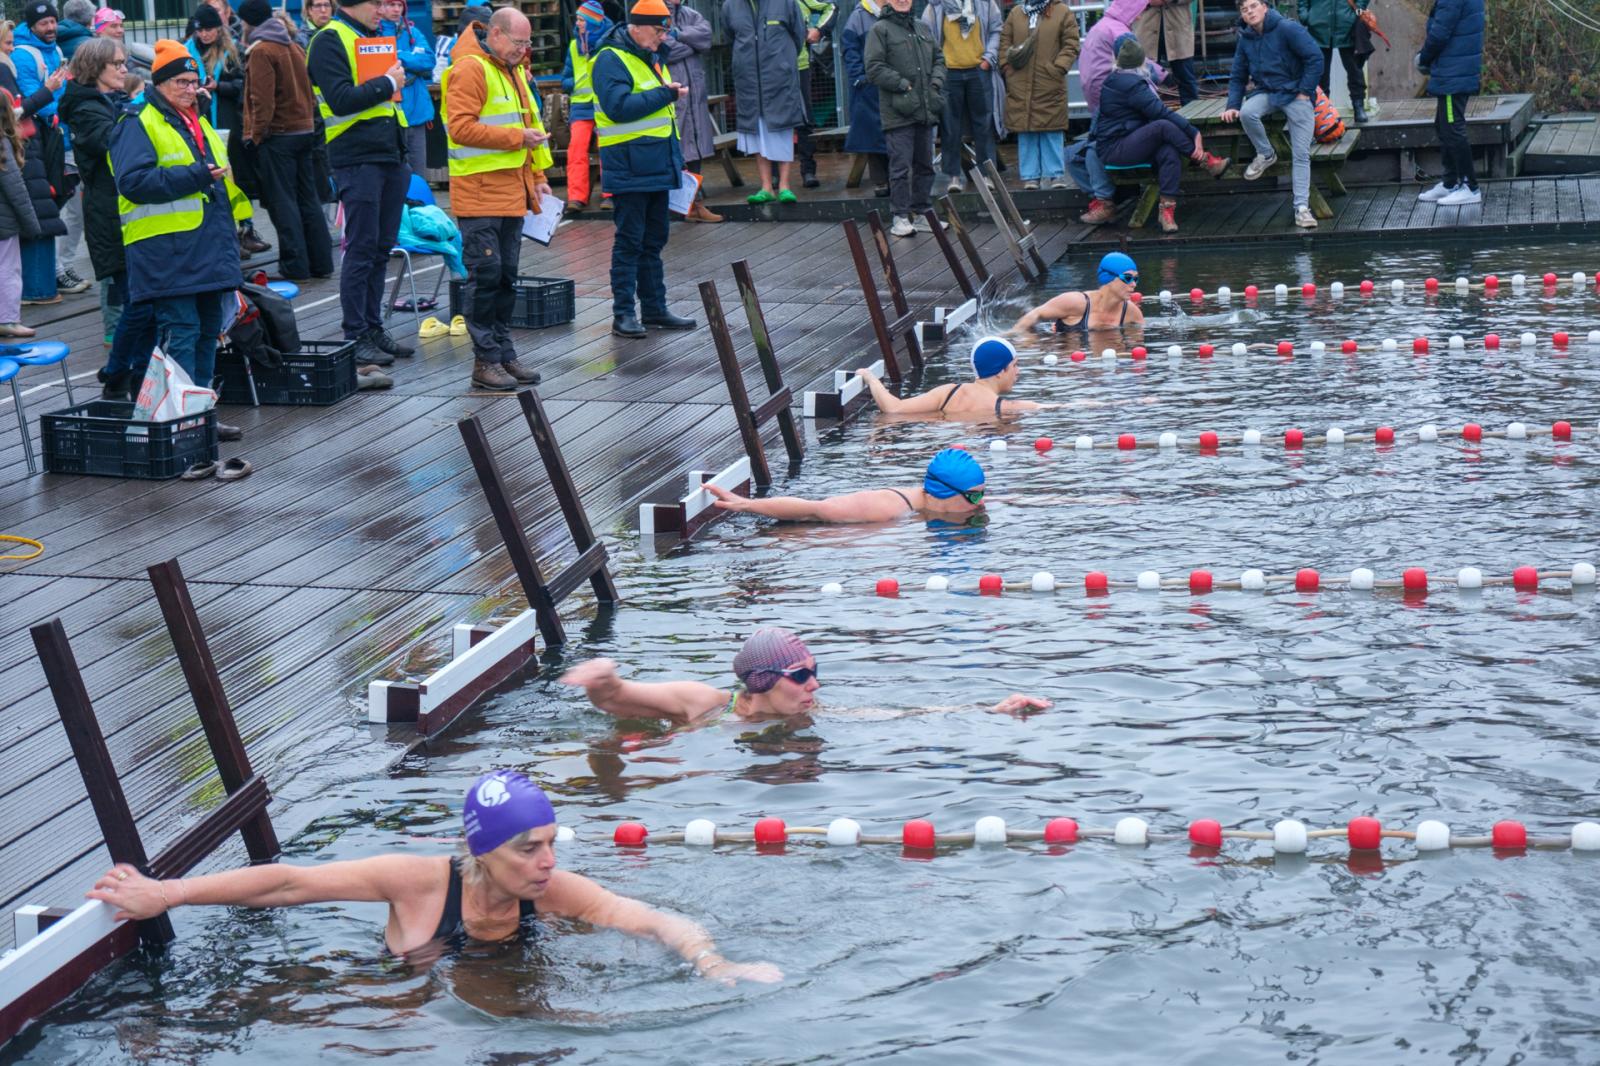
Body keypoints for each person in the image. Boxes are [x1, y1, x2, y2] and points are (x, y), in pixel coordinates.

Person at [88, 770, 784, 981]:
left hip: (509, 994)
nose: (547, 862)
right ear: (481, 851)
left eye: (550, 844)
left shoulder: (553, 891)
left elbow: (654, 920)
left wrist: (712, 962)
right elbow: (291, 883)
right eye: (528, 849)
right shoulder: (416, 880)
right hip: (405, 996)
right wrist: (166, 893)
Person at [109, 40, 245, 415]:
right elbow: (132, 183)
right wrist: (195, 176)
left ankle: (200, 415)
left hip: (206, 247)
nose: (190, 89)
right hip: (167, 252)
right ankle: (180, 420)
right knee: (181, 333)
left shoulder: (195, 119)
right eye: (181, 82)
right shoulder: (137, 121)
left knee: (208, 331)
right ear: (160, 83)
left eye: (194, 82)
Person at [563, 628, 1051, 726]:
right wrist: (604, 679)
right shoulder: (705, 702)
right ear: (761, 682)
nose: (814, 685)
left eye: (815, 673)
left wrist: (989, 710)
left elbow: (891, 714)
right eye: (800, 675)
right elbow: (619, 699)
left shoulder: (809, 712)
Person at [443, 8, 551, 391]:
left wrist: (537, 177)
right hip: (478, 193)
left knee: (506, 277)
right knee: (486, 277)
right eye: (519, 42)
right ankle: (485, 360)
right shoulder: (470, 68)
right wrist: (517, 139)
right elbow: (460, 128)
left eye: (528, 43)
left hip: (511, 191)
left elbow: (527, 123)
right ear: (496, 34)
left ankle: (504, 354)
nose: (524, 50)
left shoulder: (511, 68)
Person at [307, 0, 415, 366]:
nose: (382, 10)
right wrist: (388, 83)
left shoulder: (370, 37)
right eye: (376, 3)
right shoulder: (328, 39)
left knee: (381, 248)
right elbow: (340, 100)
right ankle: (355, 334)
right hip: (357, 158)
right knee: (361, 249)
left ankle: (372, 327)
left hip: (389, 155)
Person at [592, 0, 697, 338]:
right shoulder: (610, 58)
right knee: (630, 242)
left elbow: (661, 120)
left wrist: (675, 162)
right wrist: (666, 95)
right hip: (629, 167)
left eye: (666, 31)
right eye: (658, 30)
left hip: (654, 165)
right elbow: (618, 107)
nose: (663, 37)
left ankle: (653, 308)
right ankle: (623, 314)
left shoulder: (649, 56)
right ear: (636, 27)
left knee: (653, 241)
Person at [238, 0, 334, 282]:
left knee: (283, 203)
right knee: (308, 199)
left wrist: (256, 136)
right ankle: (321, 263)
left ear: (248, 22)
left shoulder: (261, 50)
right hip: (303, 131)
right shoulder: (293, 46)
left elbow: (262, 100)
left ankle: (295, 266)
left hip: (278, 135)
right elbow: (308, 93)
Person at [1096, 34, 1226, 232]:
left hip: (1130, 142)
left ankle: (1166, 212)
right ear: (1142, 62)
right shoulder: (1131, 84)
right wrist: (1194, 132)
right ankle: (1205, 160)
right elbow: (1161, 113)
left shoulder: (1119, 79)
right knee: (1162, 126)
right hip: (1115, 148)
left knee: (1168, 152)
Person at [1220, 0, 1323, 231]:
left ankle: (1302, 209)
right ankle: (1266, 154)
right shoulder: (1245, 37)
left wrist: (1305, 91)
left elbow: (1315, 58)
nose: (1250, 12)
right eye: (1244, 9)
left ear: (1265, 7)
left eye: (1253, 6)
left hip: (1296, 92)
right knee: (1247, 113)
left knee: (1301, 154)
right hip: (1268, 91)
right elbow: (1238, 75)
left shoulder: (1288, 28)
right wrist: (1232, 105)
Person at [58, 37, 131, 348]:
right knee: (115, 270)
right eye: (117, 64)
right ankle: (116, 340)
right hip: (106, 203)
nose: (124, 69)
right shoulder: (86, 109)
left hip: (118, 200)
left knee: (125, 271)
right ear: (96, 67)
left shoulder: (110, 101)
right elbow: (114, 144)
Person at [708, 446, 987, 523]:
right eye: (975, 497)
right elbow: (813, 509)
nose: (982, 503)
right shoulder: (883, 508)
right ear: (944, 493)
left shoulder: (932, 499)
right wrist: (747, 505)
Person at [12, 3, 81, 302]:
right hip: (46, 141)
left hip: (61, 136)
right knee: (55, 206)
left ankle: (60, 268)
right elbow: (35, 102)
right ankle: (54, 272)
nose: (51, 27)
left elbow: (61, 92)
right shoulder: (24, 55)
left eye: (53, 21)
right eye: (44, 23)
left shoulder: (54, 49)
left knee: (68, 205)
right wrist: (67, 107)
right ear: (31, 26)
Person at [1068, 0, 1153, 227]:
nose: (1139, 16)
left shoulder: (1102, 27)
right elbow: (1141, 68)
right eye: (1139, 11)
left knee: (1090, 150)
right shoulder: (1120, 33)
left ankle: (1106, 199)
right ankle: (1110, 198)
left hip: (1106, 107)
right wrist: (1162, 75)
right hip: (1113, 112)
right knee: (1085, 151)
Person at [865, 0, 942, 240]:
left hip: (925, 109)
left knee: (925, 165)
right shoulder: (880, 29)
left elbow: (939, 59)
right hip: (897, 112)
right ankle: (900, 216)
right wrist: (903, 85)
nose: (902, 0)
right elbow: (874, 67)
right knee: (900, 167)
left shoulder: (922, 27)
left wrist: (935, 84)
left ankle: (922, 212)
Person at [721, 0, 804, 204]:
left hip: (779, 79)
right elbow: (730, 37)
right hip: (748, 81)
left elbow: (798, 35)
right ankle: (766, 187)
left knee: (782, 129)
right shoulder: (730, 5)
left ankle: (784, 186)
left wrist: (783, 61)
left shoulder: (786, 2)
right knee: (757, 133)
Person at [853, 335, 1045, 419]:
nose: (1018, 371)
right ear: (1000, 370)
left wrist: (871, 378)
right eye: (1015, 365)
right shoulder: (1009, 408)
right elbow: (1051, 409)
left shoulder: (947, 393)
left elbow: (893, 409)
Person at [998, 0, 1078, 191]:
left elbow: (1071, 44)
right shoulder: (1016, 13)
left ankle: (1056, 174)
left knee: (1052, 128)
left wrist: (1058, 68)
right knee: (1025, 129)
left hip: (1050, 81)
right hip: (1019, 81)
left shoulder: (1063, 11)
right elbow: (1004, 42)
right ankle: (1030, 176)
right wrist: (1006, 66)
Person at [919, 0, 998, 195]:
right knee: (949, 126)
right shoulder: (934, 7)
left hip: (979, 70)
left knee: (984, 124)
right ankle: (953, 176)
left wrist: (988, 58)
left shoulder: (986, 4)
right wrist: (938, 66)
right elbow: (925, 37)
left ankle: (987, 174)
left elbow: (997, 30)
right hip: (948, 73)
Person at [1414, 0, 1483, 207]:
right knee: (1443, 125)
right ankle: (1450, 182)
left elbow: (1440, 33)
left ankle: (1470, 187)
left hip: (1454, 71)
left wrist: (1423, 58)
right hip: (1454, 68)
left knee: (1452, 128)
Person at [660, 0, 720, 221]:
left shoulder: (690, 14)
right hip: (673, 94)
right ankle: (681, 205)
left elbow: (706, 37)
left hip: (694, 94)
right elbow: (663, 49)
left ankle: (694, 205)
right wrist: (692, 45)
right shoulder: (654, 12)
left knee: (694, 147)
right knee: (676, 149)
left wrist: (678, 35)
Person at [1011, 250, 1146, 334]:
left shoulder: (1131, 313)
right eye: (1127, 278)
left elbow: (1135, 351)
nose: (1133, 284)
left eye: (1136, 279)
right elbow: (1036, 313)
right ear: (1108, 278)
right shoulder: (1076, 302)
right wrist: (1021, 336)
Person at [0, 87, 44, 339]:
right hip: (4, 223)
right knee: (8, 269)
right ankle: (7, 319)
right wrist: (32, 224)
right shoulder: (2, 145)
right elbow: (16, 189)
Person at [377, 0, 434, 175]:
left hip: (417, 115)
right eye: (391, 4)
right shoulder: (372, 34)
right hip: (389, 119)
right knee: (395, 177)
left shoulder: (413, 32)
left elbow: (429, 61)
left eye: (399, 5)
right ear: (380, 7)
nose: (396, 9)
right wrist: (411, 58)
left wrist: (398, 56)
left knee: (418, 176)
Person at [839, 0, 888, 197]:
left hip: (892, 85)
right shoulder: (857, 17)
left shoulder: (897, 11)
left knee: (896, 134)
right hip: (869, 87)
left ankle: (897, 180)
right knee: (872, 136)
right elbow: (849, 50)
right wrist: (860, 78)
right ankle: (881, 181)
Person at [1300, 0, 1370, 123]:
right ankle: (1323, 112)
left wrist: (1356, 12)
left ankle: (1358, 105)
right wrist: (1305, 15)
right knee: (1320, 73)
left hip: (1347, 26)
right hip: (1318, 26)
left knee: (1354, 69)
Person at [793, 0, 835, 189]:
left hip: (800, 65)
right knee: (773, 121)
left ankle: (808, 170)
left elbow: (831, 7)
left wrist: (819, 30)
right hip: (770, 67)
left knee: (804, 119)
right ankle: (774, 177)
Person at [1132, 0, 1196, 105]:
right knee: (1143, 79)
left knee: (1186, 79)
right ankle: (1147, 113)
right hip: (1145, 31)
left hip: (1178, 30)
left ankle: (1192, 114)